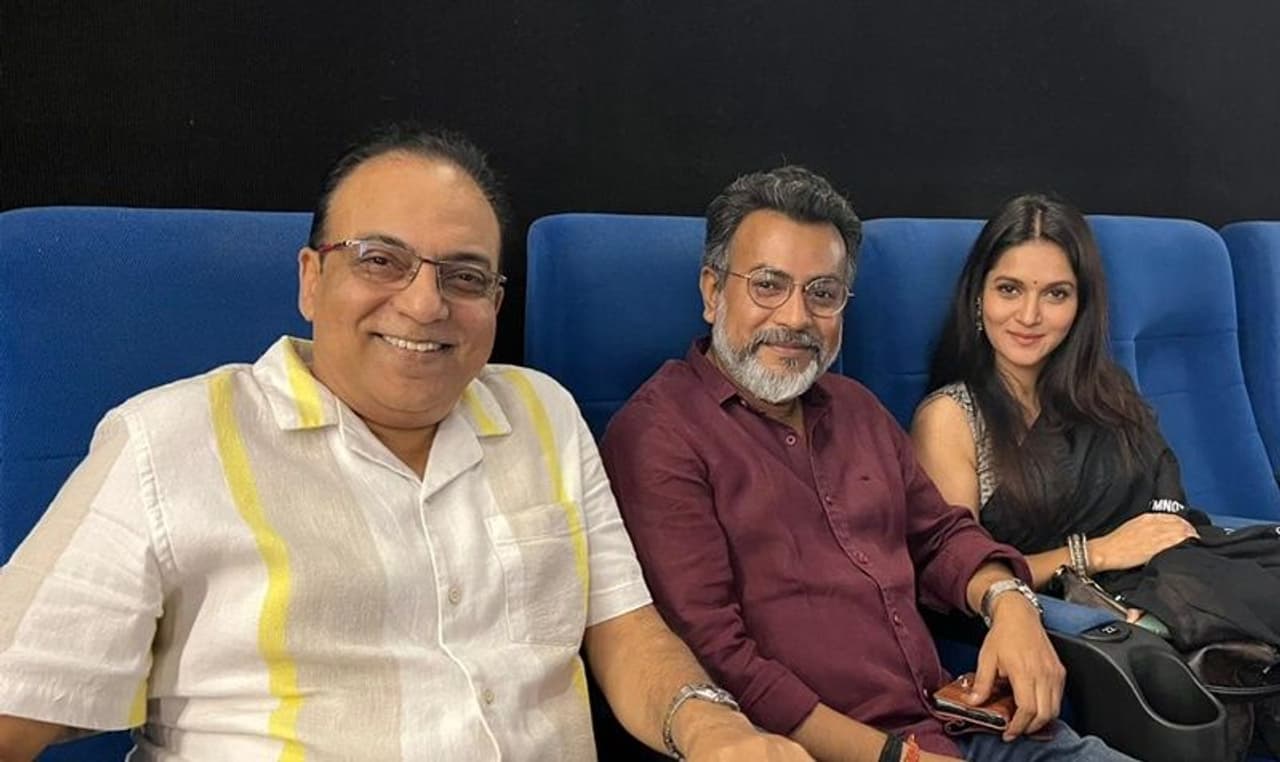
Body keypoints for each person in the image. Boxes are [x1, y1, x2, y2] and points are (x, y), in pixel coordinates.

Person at [0, 126, 811, 762]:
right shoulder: (169, 441)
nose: (425, 304)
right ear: (311, 277)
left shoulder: (545, 415)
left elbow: (624, 631)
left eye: (464, 276)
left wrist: (713, 730)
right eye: (381, 260)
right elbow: (17, 704)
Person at [600, 167, 1136, 761]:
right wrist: (897, 758)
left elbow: (940, 536)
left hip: (958, 722)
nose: (796, 318)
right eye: (768, 285)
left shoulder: (856, 407)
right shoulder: (659, 433)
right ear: (711, 292)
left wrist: (1010, 602)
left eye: (823, 293)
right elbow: (714, 656)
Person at [910, 192, 1280, 759]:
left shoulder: (1108, 395)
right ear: (978, 297)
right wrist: (1096, 554)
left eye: (1055, 294)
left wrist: (1146, 556)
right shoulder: (952, 418)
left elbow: (1166, 509)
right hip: (1077, 619)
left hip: (1165, 576)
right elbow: (960, 577)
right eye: (1009, 289)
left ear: (1081, 305)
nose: (1029, 316)